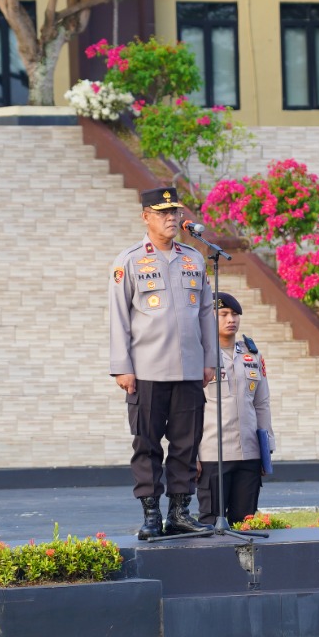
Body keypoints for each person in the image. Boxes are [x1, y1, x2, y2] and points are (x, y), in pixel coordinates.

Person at [109, 186, 217, 538]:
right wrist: (122, 366)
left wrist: (209, 359)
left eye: (175, 212)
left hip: (188, 369)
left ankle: (181, 512)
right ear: (146, 217)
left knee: (187, 444)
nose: (172, 218)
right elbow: (119, 317)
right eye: (163, 213)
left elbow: (205, 313)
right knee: (147, 444)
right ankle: (152, 514)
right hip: (147, 370)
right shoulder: (129, 260)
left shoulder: (194, 258)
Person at [198, 292, 275, 526]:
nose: (231, 319)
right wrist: (190, 454)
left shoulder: (252, 355)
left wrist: (266, 448)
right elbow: (188, 409)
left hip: (249, 453)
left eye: (234, 314)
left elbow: (261, 403)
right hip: (212, 453)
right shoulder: (198, 355)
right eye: (223, 314)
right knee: (211, 524)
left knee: (246, 524)